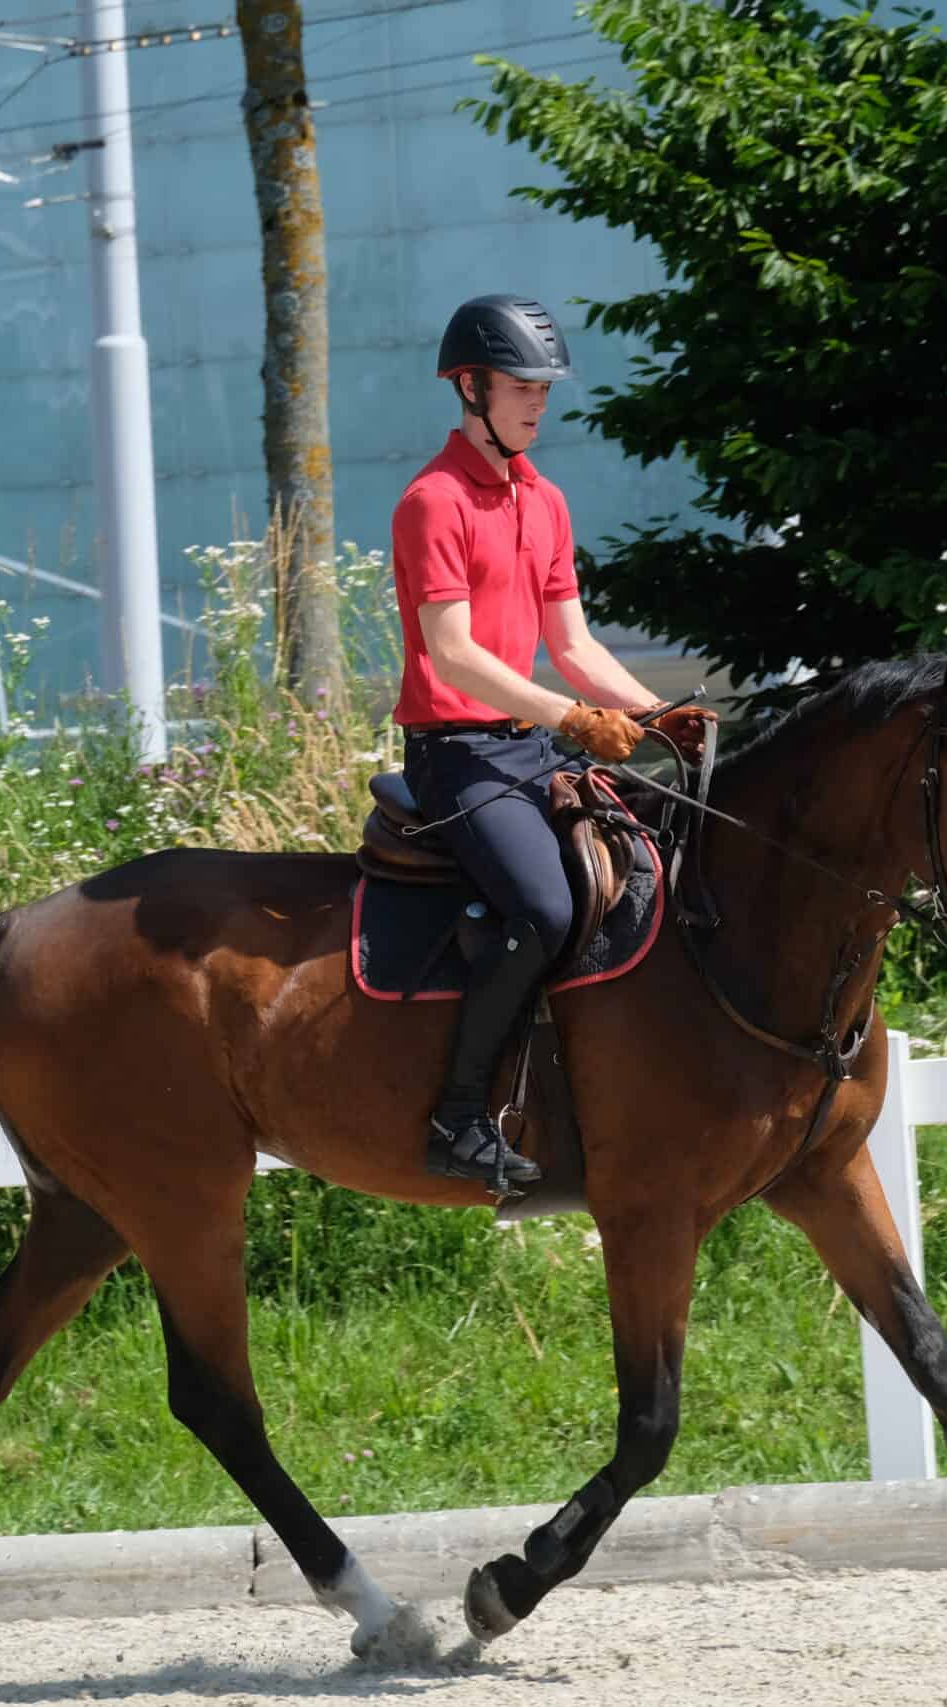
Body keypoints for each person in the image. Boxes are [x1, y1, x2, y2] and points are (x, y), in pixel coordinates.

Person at [390, 293, 714, 1189]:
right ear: (470, 385)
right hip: (457, 756)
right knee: (545, 907)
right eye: (522, 385)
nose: (538, 401)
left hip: (532, 748)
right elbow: (453, 657)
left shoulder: (546, 500)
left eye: (544, 387)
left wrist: (657, 717)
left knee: (655, 867)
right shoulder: (433, 502)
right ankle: (458, 1117)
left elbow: (572, 645)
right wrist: (570, 718)